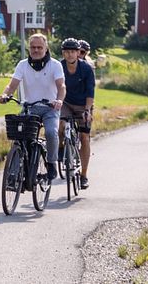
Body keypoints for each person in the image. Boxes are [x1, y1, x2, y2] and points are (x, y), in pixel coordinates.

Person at [0, 33, 66, 182]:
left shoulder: (55, 65)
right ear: (29, 48)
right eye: (33, 47)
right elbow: (12, 85)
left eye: (39, 47)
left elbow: (61, 86)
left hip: (50, 108)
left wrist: (59, 100)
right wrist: (5, 95)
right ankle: (14, 174)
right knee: (19, 138)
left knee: (51, 132)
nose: (36, 50)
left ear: (46, 48)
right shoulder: (23, 65)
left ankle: (51, 163)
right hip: (30, 108)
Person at [59, 38, 95, 189]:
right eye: (66, 52)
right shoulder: (59, 66)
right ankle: (61, 148)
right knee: (60, 125)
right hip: (65, 102)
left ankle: (84, 175)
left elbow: (90, 92)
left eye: (73, 51)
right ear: (63, 53)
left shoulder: (86, 68)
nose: (70, 55)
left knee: (84, 137)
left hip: (83, 104)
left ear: (78, 53)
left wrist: (87, 110)